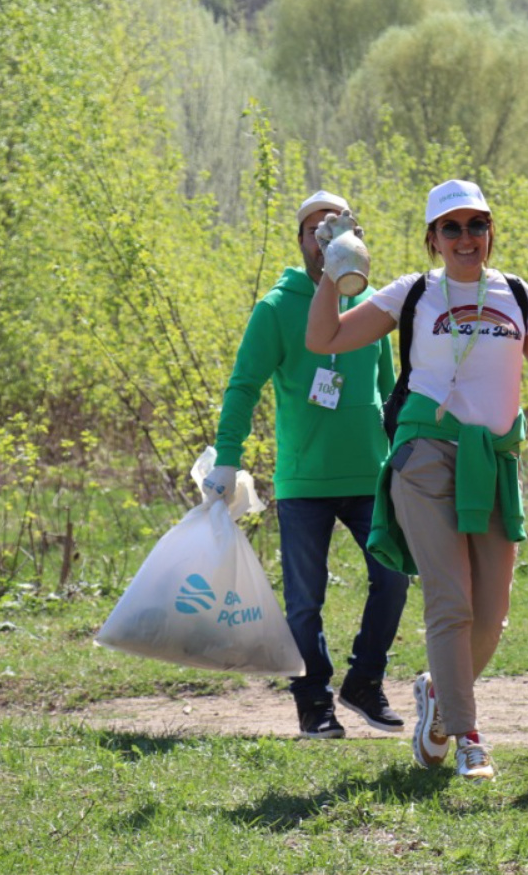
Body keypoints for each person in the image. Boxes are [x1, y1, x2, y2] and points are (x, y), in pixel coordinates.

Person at [306, 179, 528, 781]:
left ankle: (439, 699)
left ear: (490, 232)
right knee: (450, 601)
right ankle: (469, 737)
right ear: (433, 238)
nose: (466, 237)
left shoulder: (519, 295)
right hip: (425, 457)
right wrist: (331, 273)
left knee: (491, 613)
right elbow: (325, 337)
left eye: (477, 225)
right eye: (452, 227)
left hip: (493, 463)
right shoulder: (413, 292)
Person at [202, 190, 409, 740]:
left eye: (336, 229)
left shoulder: (375, 304)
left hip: (371, 475)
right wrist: (226, 462)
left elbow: (390, 392)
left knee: (393, 578)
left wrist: (407, 454)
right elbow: (243, 387)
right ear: (300, 242)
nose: (325, 239)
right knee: (304, 602)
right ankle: (313, 702)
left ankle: (365, 680)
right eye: (314, 231)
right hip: (304, 481)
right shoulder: (276, 308)